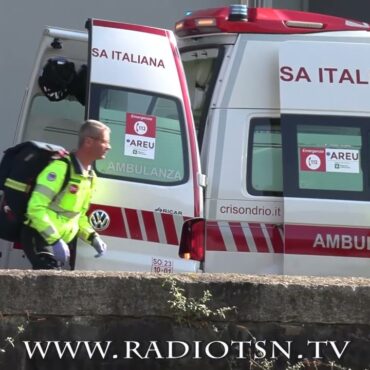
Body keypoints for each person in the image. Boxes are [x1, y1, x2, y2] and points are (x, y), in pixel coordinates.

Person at [20, 119, 111, 269]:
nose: (109, 146)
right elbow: (35, 208)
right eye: (104, 142)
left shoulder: (90, 177)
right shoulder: (60, 169)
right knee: (48, 285)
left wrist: (92, 237)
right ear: (88, 142)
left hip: (58, 240)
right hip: (40, 236)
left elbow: (78, 216)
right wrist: (55, 240)